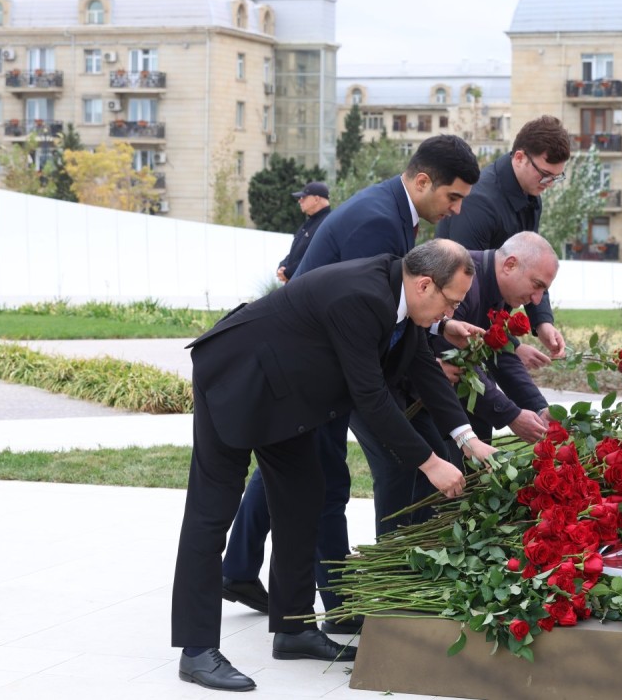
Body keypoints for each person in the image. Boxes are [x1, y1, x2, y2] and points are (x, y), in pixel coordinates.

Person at [171, 242, 484, 692]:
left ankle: (293, 628)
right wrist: (429, 462)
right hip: (237, 379)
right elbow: (370, 396)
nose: (449, 314)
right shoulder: (362, 297)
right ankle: (196, 649)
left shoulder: (401, 300)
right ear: (424, 285)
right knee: (211, 512)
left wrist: (467, 440)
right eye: (451, 302)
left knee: (303, 498)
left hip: (286, 395)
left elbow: (423, 370)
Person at [220, 134, 486, 629]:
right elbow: (369, 325)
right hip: (310, 369)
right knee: (323, 485)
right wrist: (430, 459)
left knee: (296, 472)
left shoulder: (393, 210)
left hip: (322, 364)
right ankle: (340, 609)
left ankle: (241, 570)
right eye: (453, 197)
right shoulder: (378, 223)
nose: (455, 210)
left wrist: (439, 327)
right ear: (423, 181)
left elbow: (402, 313)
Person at [436, 115, 571, 369]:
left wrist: (542, 321)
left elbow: (533, 265)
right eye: (545, 175)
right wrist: (512, 346)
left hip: (485, 333)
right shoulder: (479, 202)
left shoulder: (530, 197)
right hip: (452, 333)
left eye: (556, 177)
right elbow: (467, 289)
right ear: (519, 157)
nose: (549, 184)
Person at [433, 231, 558, 447]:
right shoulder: (461, 279)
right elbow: (454, 359)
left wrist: (538, 408)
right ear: (510, 265)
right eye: (536, 285)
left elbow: (501, 353)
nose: (537, 300)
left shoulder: (495, 288)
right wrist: (510, 415)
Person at [276, 180, 331, 283]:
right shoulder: (309, 223)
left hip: (312, 285)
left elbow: (318, 256)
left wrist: (288, 272)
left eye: (303, 197)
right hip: (299, 284)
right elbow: (295, 253)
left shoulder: (327, 223)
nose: (300, 201)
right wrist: (282, 266)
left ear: (316, 199)